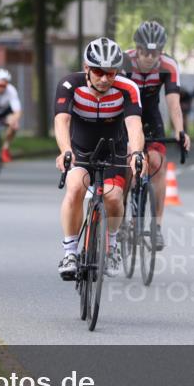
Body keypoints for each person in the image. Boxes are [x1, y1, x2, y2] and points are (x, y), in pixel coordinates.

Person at [55, 37, 144, 280]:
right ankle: (70, 252)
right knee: (75, 188)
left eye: (111, 73)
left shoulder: (128, 88)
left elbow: (134, 125)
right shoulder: (69, 85)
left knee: (113, 197)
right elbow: (61, 121)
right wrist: (65, 150)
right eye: (98, 72)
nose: (104, 79)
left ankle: (111, 246)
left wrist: (137, 153)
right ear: (86, 68)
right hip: (80, 149)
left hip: (114, 150)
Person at [124, 20, 190, 250]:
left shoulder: (168, 65)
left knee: (158, 164)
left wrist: (180, 131)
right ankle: (121, 218)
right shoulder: (123, 62)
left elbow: (173, 103)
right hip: (124, 115)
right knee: (125, 164)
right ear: (137, 49)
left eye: (155, 53)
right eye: (145, 52)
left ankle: (157, 227)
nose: (150, 58)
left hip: (151, 116)